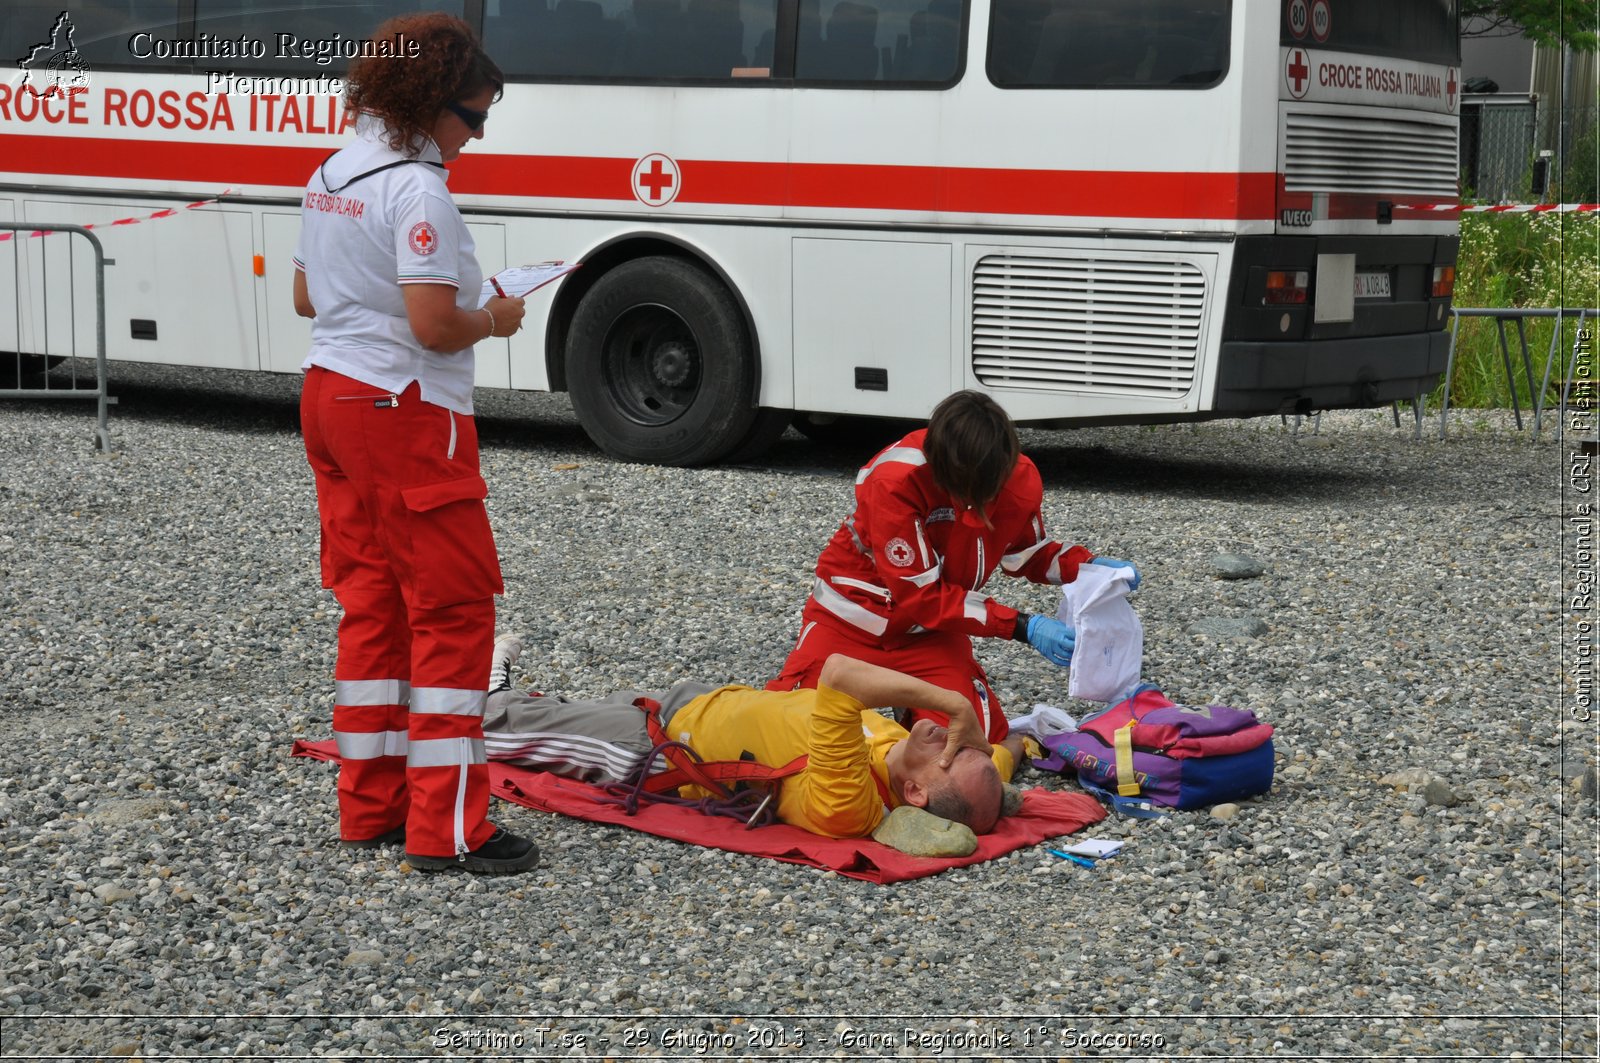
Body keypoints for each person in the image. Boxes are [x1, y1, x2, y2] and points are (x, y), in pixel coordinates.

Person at [293, 13, 536, 874]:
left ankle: (369, 806)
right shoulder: (418, 186)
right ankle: (451, 826)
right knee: (453, 610)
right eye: (472, 116)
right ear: (430, 103)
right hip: (402, 407)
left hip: (330, 395)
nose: (476, 134)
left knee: (373, 604)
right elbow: (437, 328)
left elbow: (306, 297)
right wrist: (496, 317)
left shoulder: (332, 168)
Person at [766, 390, 1139, 759]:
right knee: (786, 740)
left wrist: (1088, 568)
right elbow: (923, 597)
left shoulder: (1018, 477)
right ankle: (904, 708)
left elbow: (1025, 551)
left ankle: (910, 712)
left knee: (973, 747)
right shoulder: (896, 480)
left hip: (928, 636)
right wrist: (1023, 626)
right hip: (848, 624)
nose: (972, 508)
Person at [481, 638, 1019, 839]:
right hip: (696, 702)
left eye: (952, 755)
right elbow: (997, 762)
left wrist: (953, 701)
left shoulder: (847, 800)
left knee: (484, 728)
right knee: (556, 712)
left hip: (651, 746)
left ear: (917, 796)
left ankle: (482, 699)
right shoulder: (921, 765)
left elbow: (837, 673)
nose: (952, 736)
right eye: (962, 740)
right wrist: (1023, 746)